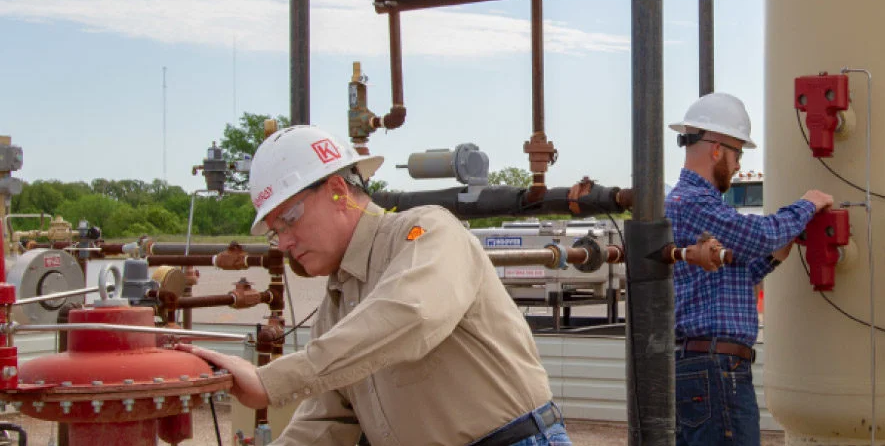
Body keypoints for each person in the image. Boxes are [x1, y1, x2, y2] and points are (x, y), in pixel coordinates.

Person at [179, 125, 571, 446]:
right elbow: (326, 422)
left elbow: (410, 314)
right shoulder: (338, 300)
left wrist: (272, 380)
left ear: (336, 191)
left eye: (289, 220)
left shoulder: (428, 231)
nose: (282, 242)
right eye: (274, 231)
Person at [665, 93, 833, 446]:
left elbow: (732, 274)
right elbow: (758, 235)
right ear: (717, 150)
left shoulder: (691, 204)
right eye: (738, 153)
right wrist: (808, 205)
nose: (739, 164)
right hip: (714, 368)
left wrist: (775, 256)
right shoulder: (694, 202)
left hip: (708, 365)